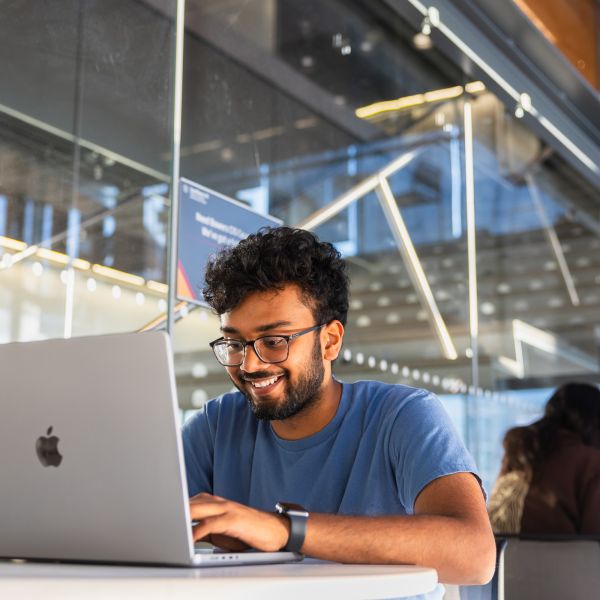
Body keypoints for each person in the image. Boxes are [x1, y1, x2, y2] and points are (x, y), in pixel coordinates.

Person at [182, 227, 495, 588]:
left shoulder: (402, 415)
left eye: (273, 341)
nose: (250, 365)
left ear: (329, 341)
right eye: (235, 343)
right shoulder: (216, 424)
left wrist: (285, 531)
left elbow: (476, 555)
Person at [489, 382, 600, 535]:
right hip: (559, 557)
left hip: (499, 553)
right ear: (594, 423)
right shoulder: (589, 462)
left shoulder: (518, 449)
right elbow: (594, 541)